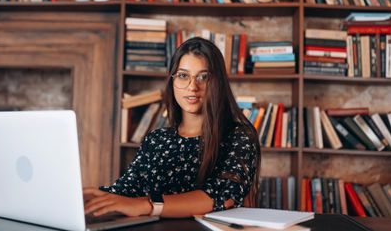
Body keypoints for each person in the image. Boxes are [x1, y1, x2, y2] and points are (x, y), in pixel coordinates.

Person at [84, 37, 261, 218]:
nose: (192, 87)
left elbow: (222, 195)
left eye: (204, 77)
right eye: (183, 76)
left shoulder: (239, 136)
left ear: (218, 83)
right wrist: (86, 197)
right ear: (172, 80)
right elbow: (126, 190)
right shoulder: (156, 139)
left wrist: (149, 205)